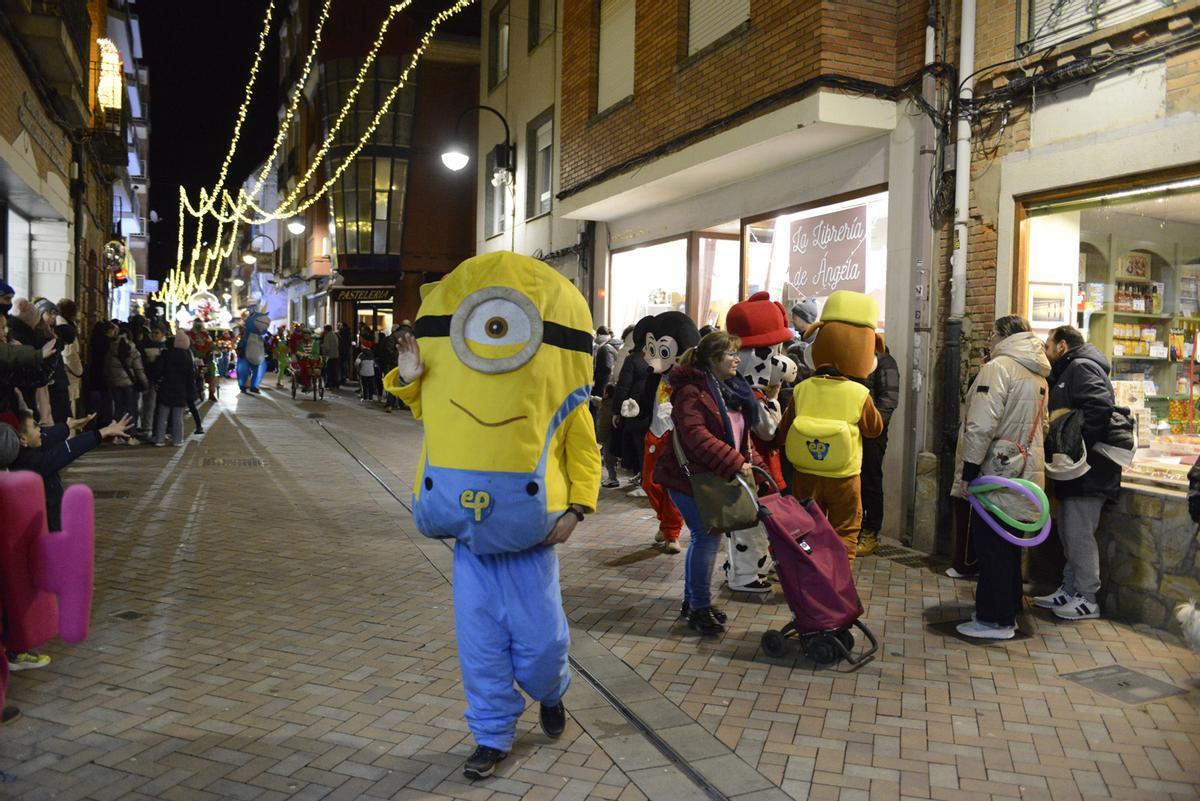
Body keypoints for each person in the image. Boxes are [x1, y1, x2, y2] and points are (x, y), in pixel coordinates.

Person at [382, 252, 599, 781]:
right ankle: (491, 733)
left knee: (543, 644)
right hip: (473, 546)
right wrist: (410, 378)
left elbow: (584, 452)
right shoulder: (447, 378)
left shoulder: (560, 392)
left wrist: (577, 508)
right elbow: (429, 409)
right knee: (480, 647)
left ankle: (550, 691)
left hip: (532, 544)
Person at [653, 331, 764, 635]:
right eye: (730, 354)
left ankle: (694, 602)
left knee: (706, 537)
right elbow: (695, 436)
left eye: (737, 353)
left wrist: (759, 470)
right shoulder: (692, 391)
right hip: (688, 477)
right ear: (713, 360)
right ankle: (699, 608)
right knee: (705, 537)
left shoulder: (731, 390)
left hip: (712, 475)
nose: (737, 359)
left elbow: (740, 438)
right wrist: (734, 462)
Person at [951, 315, 1050, 640]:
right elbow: (1044, 426)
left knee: (991, 546)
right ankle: (1008, 609)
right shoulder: (1037, 372)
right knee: (1008, 546)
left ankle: (994, 620)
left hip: (995, 471)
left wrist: (968, 471)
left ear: (1005, 336)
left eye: (992, 334)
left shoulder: (998, 368)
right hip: (1025, 471)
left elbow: (981, 424)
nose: (989, 341)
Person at [1035, 325, 1122, 621]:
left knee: (1078, 533)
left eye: (1048, 345)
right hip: (1076, 470)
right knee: (1068, 531)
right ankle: (1071, 588)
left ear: (1062, 346)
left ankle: (1087, 598)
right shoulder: (1069, 369)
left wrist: (1076, 442)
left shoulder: (1082, 367)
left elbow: (1100, 407)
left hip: (1088, 470)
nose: (1046, 351)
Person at [855, 346, 900, 557]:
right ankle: (855, 528)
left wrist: (873, 427)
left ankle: (871, 532)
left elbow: (888, 401)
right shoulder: (853, 359)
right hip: (849, 432)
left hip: (873, 434)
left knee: (870, 480)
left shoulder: (884, 362)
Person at [155, 331, 199, 446]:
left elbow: (158, 371)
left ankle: (159, 439)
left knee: (162, 416)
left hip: (166, 387)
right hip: (181, 390)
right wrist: (192, 392)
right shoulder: (187, 357)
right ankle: (178, 440)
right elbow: (191, 377)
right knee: (178, 417)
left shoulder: (166, 354)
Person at [104, 325, 146, 443]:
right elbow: (139, 370)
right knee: (131, 410)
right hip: (129, 385)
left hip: (115, 384)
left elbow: (106, 369)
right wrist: (145, 383)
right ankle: (130, 436)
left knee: (117, 409)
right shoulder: (133, 350)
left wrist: (110, 381)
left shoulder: (111, 349)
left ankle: (115, 436)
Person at [55, 299, 82, 419]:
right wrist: (79, 371)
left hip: (68, 372)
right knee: (69, 408)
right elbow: (69, 354)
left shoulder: (65, 324)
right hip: (69, 373)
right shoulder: (65, 328)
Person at [322, 325, 340, 390]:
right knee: (334, 371)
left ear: (326, 330)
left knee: (329, 371)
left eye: (324, 329)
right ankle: (335, 385)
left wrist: (324, 353)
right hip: (336, 355)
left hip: (330, 356)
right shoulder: (335, 335)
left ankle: (330, 385)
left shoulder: (327, 336)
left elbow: (327, 347)